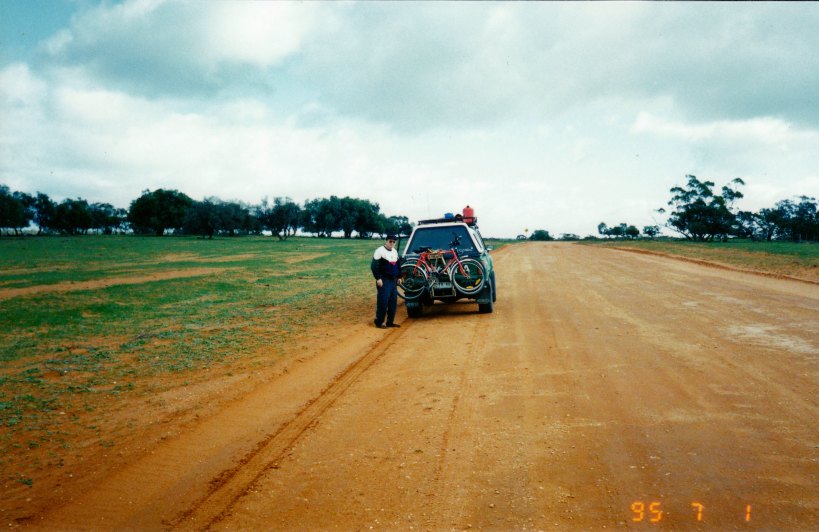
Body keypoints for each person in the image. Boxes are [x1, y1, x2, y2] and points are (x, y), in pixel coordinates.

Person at [371, 234, 401, 328]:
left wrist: (399, 277)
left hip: (393, 280)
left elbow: (398, 265)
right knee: (383, 301)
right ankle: (379, 322)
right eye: (390, 241)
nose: (392, 243)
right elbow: (374, 266)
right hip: (384, 280)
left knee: (393, 302)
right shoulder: (379, 251)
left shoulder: (395, 252)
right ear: (386, 241)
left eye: (393, 242)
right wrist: (378, 278)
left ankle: (390, 322)